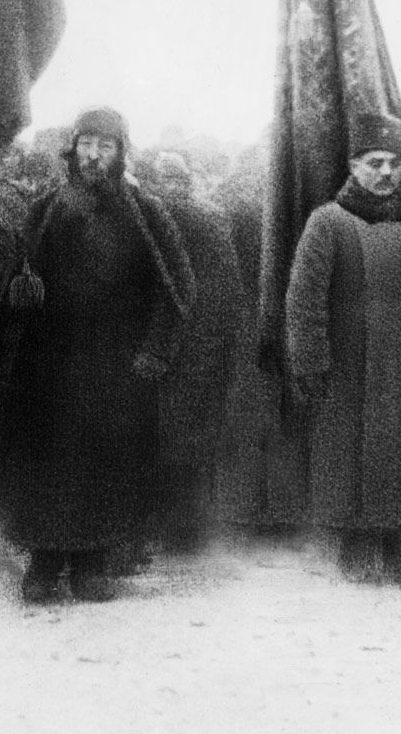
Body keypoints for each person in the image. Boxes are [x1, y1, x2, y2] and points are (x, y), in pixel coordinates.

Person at [0, 107, 194, 603]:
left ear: (120, 153)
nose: (94, 156)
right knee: (45, 461)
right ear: (72, 149)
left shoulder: (144, 213)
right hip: (48, 359)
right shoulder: (46, 207)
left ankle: (92, 565)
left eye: (105, 146)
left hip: (115, 360)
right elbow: (11, 275)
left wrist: (156, 350)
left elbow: (177, 287)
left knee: (105, 461)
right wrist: (16, 298)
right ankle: (43, 564)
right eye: (86, 144)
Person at [286, 113, 401, 584]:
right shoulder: (328, 222)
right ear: (353, 165)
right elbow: (305, 299)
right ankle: (354, 551)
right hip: (348, 363)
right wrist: (310, 361)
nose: (386, 173)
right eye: (374, 162)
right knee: (348, 454)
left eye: (395, 163)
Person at [146, 150, 244, 554]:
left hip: (181, 341)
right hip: (207, 340)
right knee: (192, 436)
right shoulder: (209, 215)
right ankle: (187, 530)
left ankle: (171, 530)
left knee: (169, 434)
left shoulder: (165, 217)